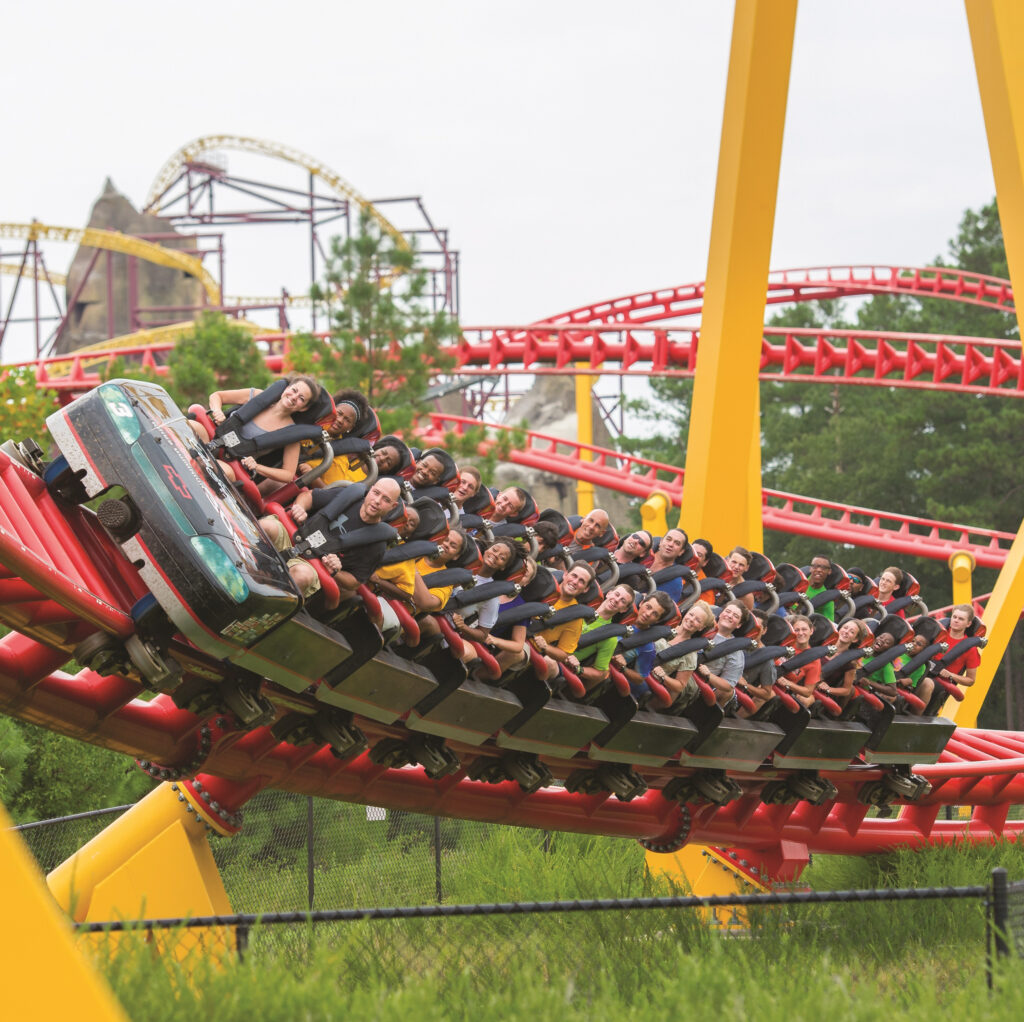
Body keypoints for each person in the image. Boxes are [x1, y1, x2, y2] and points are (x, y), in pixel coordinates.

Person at [258, 477, 400, 602]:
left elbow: (354, 582)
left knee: (302, 575)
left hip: (312, 565)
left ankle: (261, 602)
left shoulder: (377, 544)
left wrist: (336, 571)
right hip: (294, 537)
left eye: (386, 500)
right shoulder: (348, 497)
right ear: (371, 489)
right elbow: (309, 496)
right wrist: (300, 507)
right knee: (267, 526)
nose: (377, 501)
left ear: (393, 506)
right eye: (376, 493)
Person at [196, 376, 320, 489]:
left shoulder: (292, 433)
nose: (294, 397)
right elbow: (217, 396)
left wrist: (257, 467)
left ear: (304, 408)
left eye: (301, 399)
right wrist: (217, 410)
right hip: (213, 439)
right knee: (193, 426)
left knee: (215, 468)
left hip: (231, 462)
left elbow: (288, 475)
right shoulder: (258, 396)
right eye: (294, 390)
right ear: (287, 388)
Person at [530, 561, 596, 683]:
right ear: (565, 574)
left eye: (581, 581)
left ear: (585, 589)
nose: (575, 582)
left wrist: (546, 647)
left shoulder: (575, 616)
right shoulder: (543, 586)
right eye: (574, 576)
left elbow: (563, 654)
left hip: (530, 648)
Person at [650, 600, 716, 709]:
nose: (691, 619)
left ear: (701, 627)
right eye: (691, 614)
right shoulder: (666, 626)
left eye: (697, 620)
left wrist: (664, 677)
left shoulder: (689, 653)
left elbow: (680, 686)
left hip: (650, 679)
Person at [611, 591, 676, 698]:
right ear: (641, 603)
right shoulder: (621, 612)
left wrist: (623, 668)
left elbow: (640, 678)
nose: (648, 614)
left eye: (655, 614)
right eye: (648, 607)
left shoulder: (648, 647)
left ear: (657, 620)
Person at [574, 583, 635, 693]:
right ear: (609, 593)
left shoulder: (610, 637)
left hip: (563, 662)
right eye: (616, 594)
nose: (617, 600)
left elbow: (600, 673)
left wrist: (578, 669)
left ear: (624, 610)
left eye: (623, 601)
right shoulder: (580, 608)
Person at [692, 599, 747, 710]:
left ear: (739, 625)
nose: (730, 616)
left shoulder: (735, 650)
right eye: (728, 611)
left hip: (698, 681)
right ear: (721, 613)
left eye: (735, 616)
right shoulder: (702, 623)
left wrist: (709, 675)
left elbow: (728, 685)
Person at [779, 614, 821, 709]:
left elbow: (808, 691)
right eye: (797, 630)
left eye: (804, 629)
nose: (800, 633)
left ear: (811, 631)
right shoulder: (784, 643)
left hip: (786, 689)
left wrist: (788, 683)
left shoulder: (813, 659)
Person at [938, 604, 981, 690]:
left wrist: (951, 675)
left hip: (941, 684)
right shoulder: (938, 634)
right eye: (954, 617)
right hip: (923, 673)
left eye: (961, 619)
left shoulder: (970, 649)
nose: (956, 620)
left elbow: (970, 680)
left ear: (968, 624)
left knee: (927, 683)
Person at [648, 528, 688, 604]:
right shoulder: (640, 554)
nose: (671, 544)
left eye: (677, 543)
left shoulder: (675, 582)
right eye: (668, 539)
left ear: (681, 552)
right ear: (661, 542)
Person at [805, 555, 835, 621]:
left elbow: (829, 624)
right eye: (815, 566)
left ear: (829, 571)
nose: (819, 570)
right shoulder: (798, 584)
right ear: (810, 568)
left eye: (824, 568)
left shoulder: (827, 598)